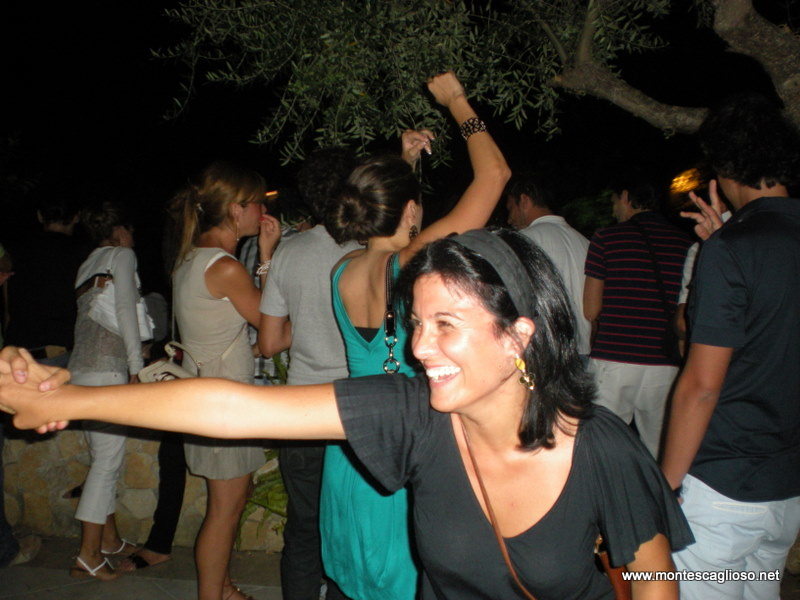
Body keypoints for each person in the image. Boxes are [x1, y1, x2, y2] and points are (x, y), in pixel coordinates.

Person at [0, 228, 692, 600]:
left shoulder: (601, 449)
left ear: (519, 336)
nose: (419, 348)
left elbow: (655, 583)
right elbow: (234, 408)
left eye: (446, 325)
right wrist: (64, 399)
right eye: (415, 323)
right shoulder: (417, 415)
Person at [320, 71, 510, 599]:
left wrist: (405, 165)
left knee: (360, 575)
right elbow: (495, 174)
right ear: (409, 211)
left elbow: (392, 220)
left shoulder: (341, 271)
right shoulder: (408, 263)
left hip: (350, 441)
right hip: (401, 440)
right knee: (403, 577)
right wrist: (457, 101)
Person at [661, 93, 800, 600]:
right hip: (786, 489)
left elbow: (701, 385)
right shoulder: (743, 242)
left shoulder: (732, 249)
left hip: (722, 489)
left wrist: (664, 488)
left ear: (723, 169)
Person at [168, 161, 281, 600]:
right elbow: (271, 328)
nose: (262, 212)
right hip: (221, 406)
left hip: (212, 396)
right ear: (236, 210)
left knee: (229, 502)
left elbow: (224, 339)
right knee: (224, 511)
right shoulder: (224, 267)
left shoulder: (192, 259)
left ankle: (223, 587)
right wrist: (268, 257)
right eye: (257, 203)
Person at [257, 147, 360, 600]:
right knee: (350, 531)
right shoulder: (369, 253)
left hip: (300, 413)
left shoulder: (290, 252)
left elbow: (269, 343)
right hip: (354, 413)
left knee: (303, 529)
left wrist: (306, 313)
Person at [583, 170, 692, 457]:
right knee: (660, 451)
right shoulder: (684, 244)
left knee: (602, 449)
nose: (613, 209)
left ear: (626, 197)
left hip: (614, 358)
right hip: (665, 364)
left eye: (614, 201)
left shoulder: (606, 239)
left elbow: (591, 309)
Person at [67, 201, 146, 580]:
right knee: (106, 463)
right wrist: (136, 366)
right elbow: (127, 311)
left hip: (80, 370)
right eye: (129, 230)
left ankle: (110, 540)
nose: (133, 237)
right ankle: (88, 554)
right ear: (119, 230)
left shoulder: (87, 263)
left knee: (103, 458)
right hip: (108, 369)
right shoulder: (121, 256)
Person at [505, 168, 591, 360]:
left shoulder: (522, 240)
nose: (509, 219)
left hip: (546, 351)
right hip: (584, 350)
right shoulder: (585, 242)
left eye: (510, 208)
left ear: (524, 201)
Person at [5, 194, 85, 367]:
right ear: (76, 217)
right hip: (57, 349)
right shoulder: (81, 254)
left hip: (15, 350)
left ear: (40, 216)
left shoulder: (18, 251)